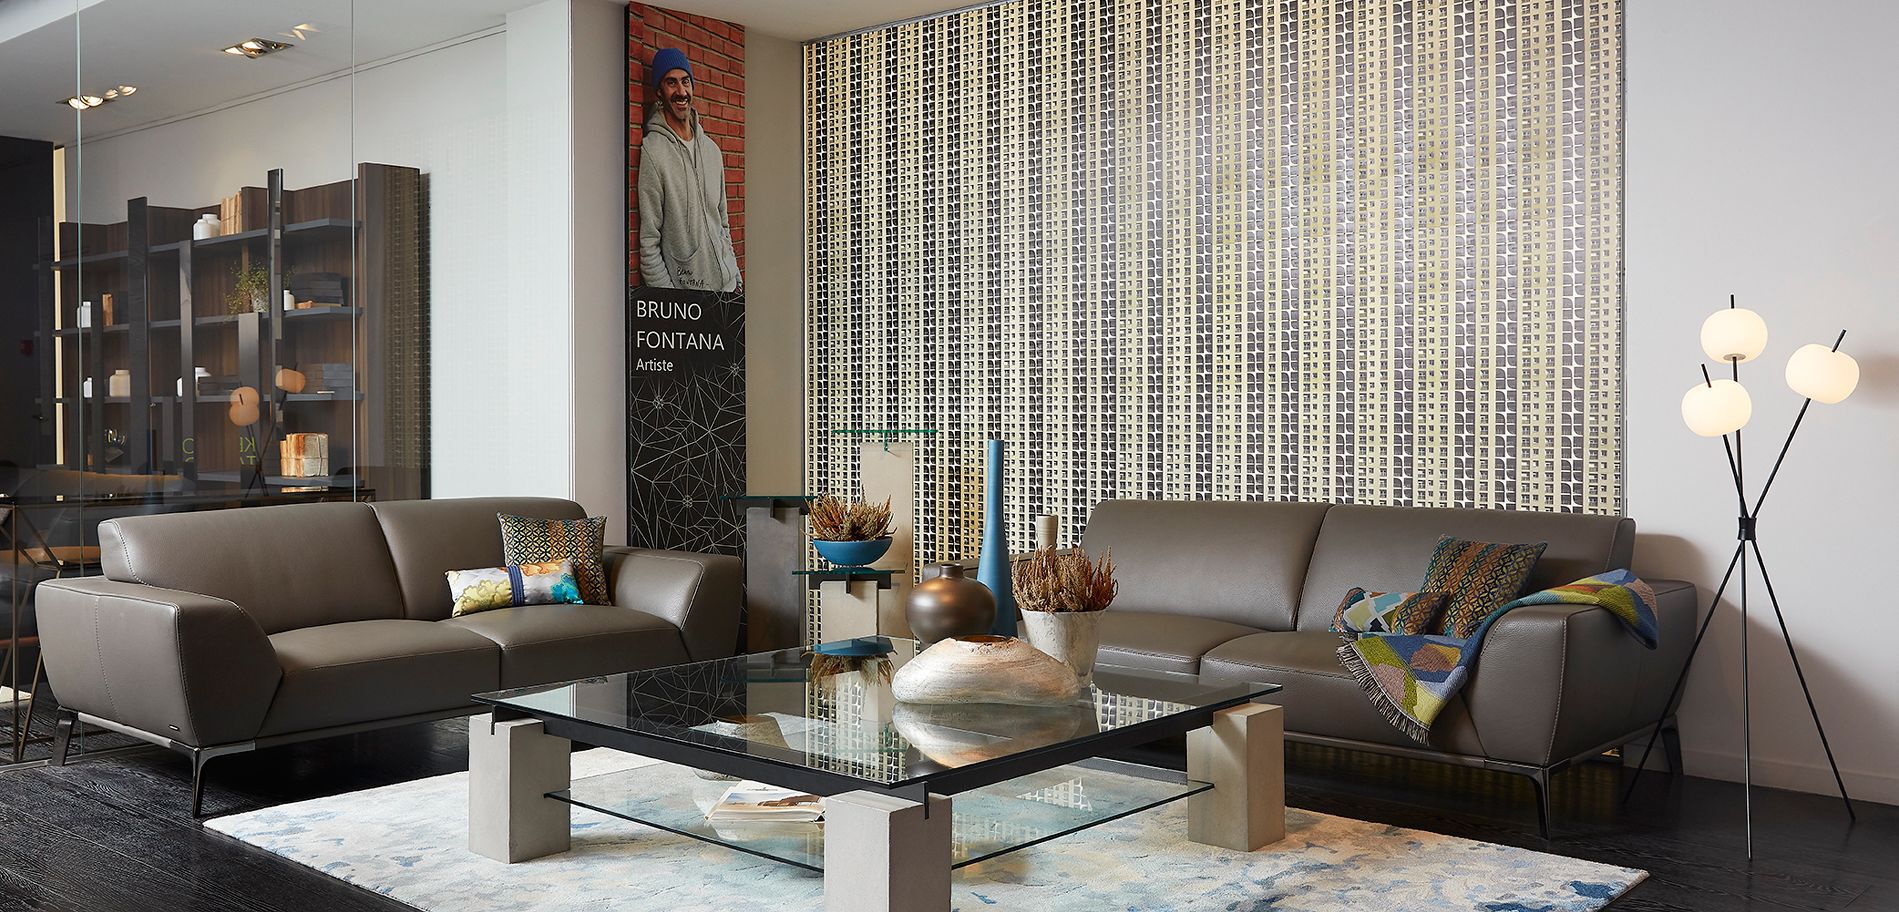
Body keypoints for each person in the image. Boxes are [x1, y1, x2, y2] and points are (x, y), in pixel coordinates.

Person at [637, 47, 740, 292]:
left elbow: (722, 223)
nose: (681, 92)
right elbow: (649, 242)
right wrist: (671, 302)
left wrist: (736, 278)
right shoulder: (654, 152)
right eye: (671, 83)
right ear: (659, 91)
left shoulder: (712, 151)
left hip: (729, 291)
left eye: (685, 82)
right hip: (688, 300)